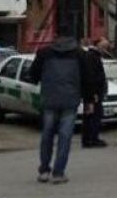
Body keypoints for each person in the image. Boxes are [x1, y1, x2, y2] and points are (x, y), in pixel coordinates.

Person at [30, 33, 90, 183]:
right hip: (71, 99)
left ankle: (44, 170)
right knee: (65, 136)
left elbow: (33, 75)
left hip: (49, 98)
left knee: (47, 134)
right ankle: (58, 172)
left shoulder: (44, 53)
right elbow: (87, 78)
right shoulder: (80, 54)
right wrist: (88, 100)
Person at [81, 37, 110, 148]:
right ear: (99, 46)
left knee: (90, 115)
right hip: (92, 93)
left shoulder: (92, 56)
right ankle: (91, 139)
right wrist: (94, 93)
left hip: (92, 92)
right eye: (104, 47)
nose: (105, 50)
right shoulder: (92, 57)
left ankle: (90, 138)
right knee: (93, 116)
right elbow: (91, 76)